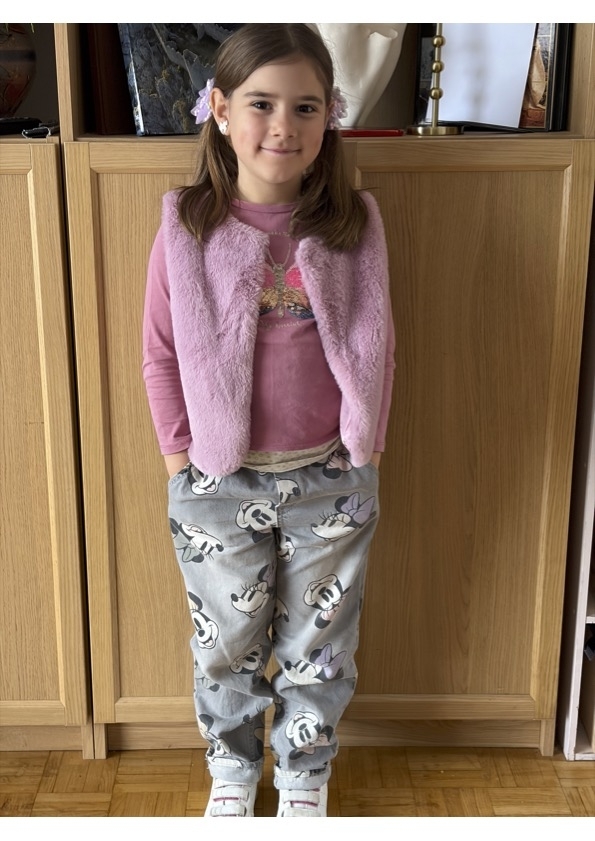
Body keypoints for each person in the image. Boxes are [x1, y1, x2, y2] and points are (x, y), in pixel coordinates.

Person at [142, 23, 395, 818]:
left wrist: (366, 448)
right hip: (217, 483)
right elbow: (159, 353)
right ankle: (231, 767)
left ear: (329, 117)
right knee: (225, 642)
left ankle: (303, 774)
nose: (282, 125)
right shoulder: (188, 225)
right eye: (261, 104)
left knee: (321, 645)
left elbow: (377, 341)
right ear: (219, 109)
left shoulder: (351, 224)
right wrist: (180, 460)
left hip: (329, 478)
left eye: (305, 107)